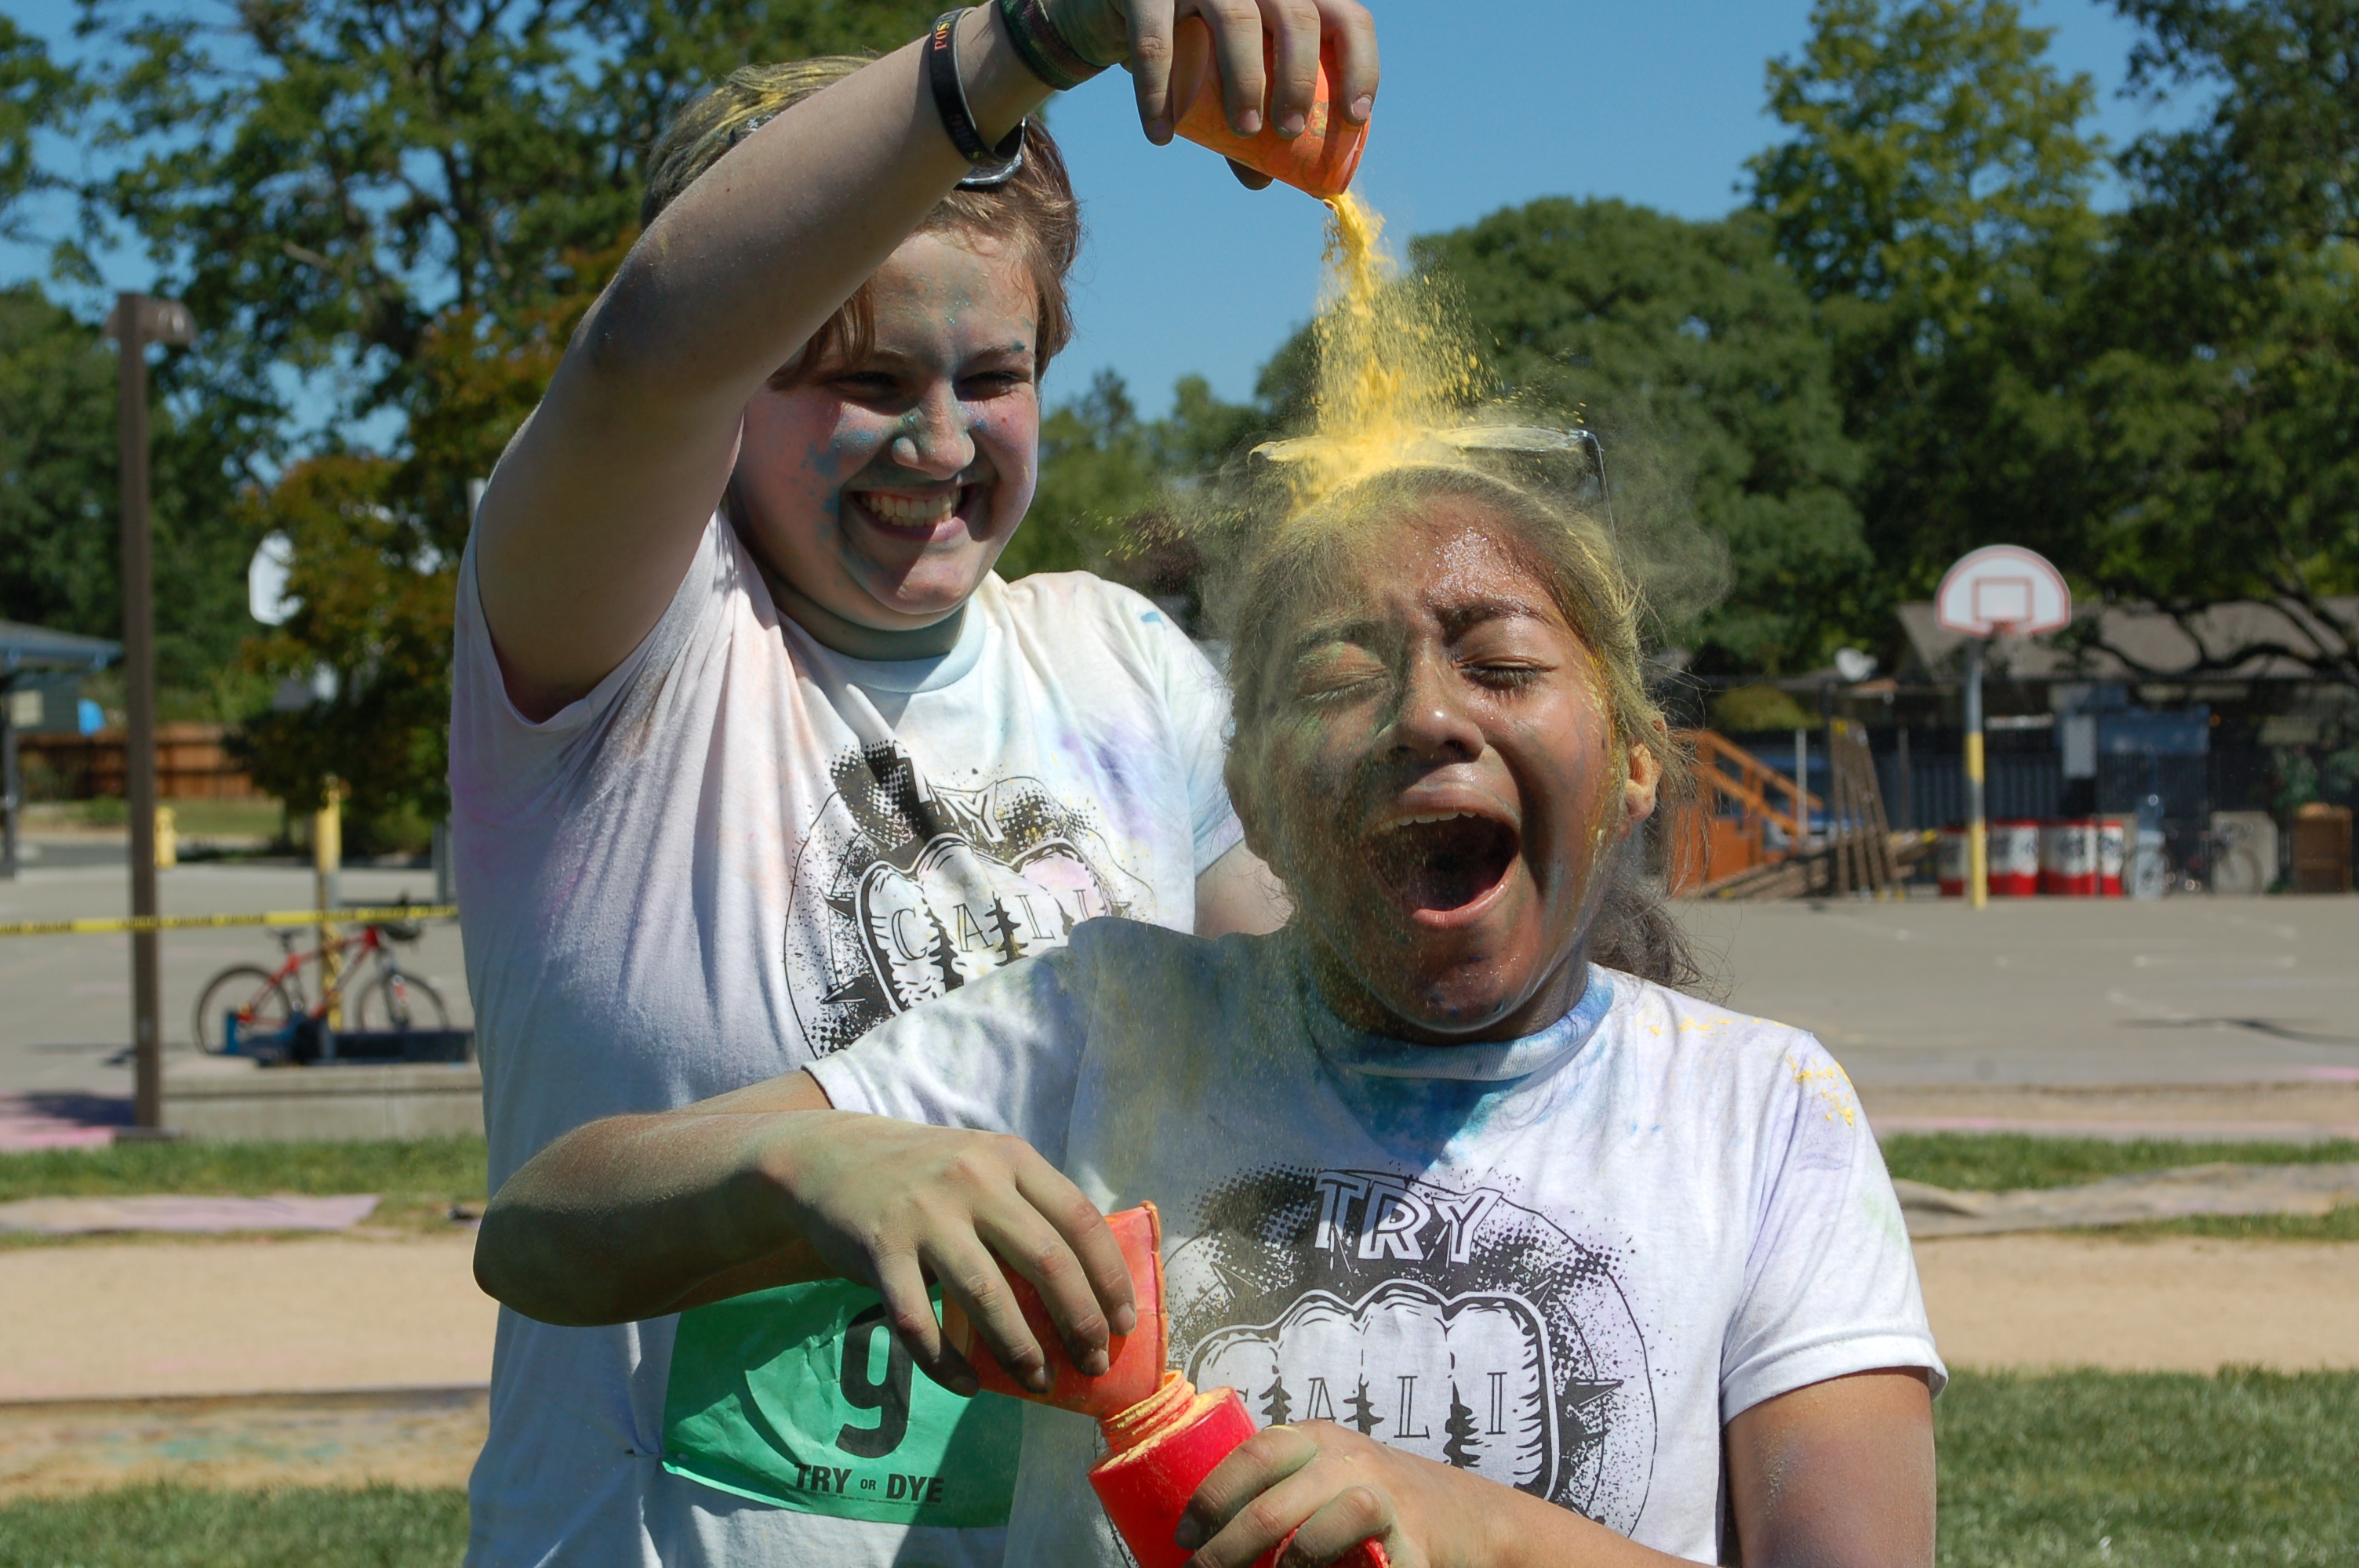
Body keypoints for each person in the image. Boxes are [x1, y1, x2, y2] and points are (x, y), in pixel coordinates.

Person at [477, 459, 1946, 1568]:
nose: (1429, 718)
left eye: (1500, 665)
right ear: (1249, 797)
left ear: (1632, 763)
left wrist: (1485, 1534)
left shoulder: (1762, 1115)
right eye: (1338, 675)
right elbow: (537, 1236)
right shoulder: (1106, 1018)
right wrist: (812, 1167)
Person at [453, 2, 1379, 1562]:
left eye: (995, 372)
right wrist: (1024, 44)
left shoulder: (1127, 666)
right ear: (737, 382)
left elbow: (1309, 1039)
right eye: (867, 379)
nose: (940, 442)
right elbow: (643, 357)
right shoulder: (625, 640)